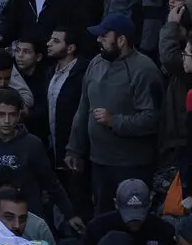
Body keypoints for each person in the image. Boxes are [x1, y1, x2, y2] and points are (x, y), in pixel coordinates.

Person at [67, 13, 166, 211]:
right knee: (102, 218)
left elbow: (152, 119)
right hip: (98, 162)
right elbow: (83, 107)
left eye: (104, 36)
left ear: (121, 40)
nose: (98, 40)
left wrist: (115, 121)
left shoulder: (144, 70)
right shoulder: (95, 63)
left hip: (131, 165)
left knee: (131, 220)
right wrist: (74, 148)